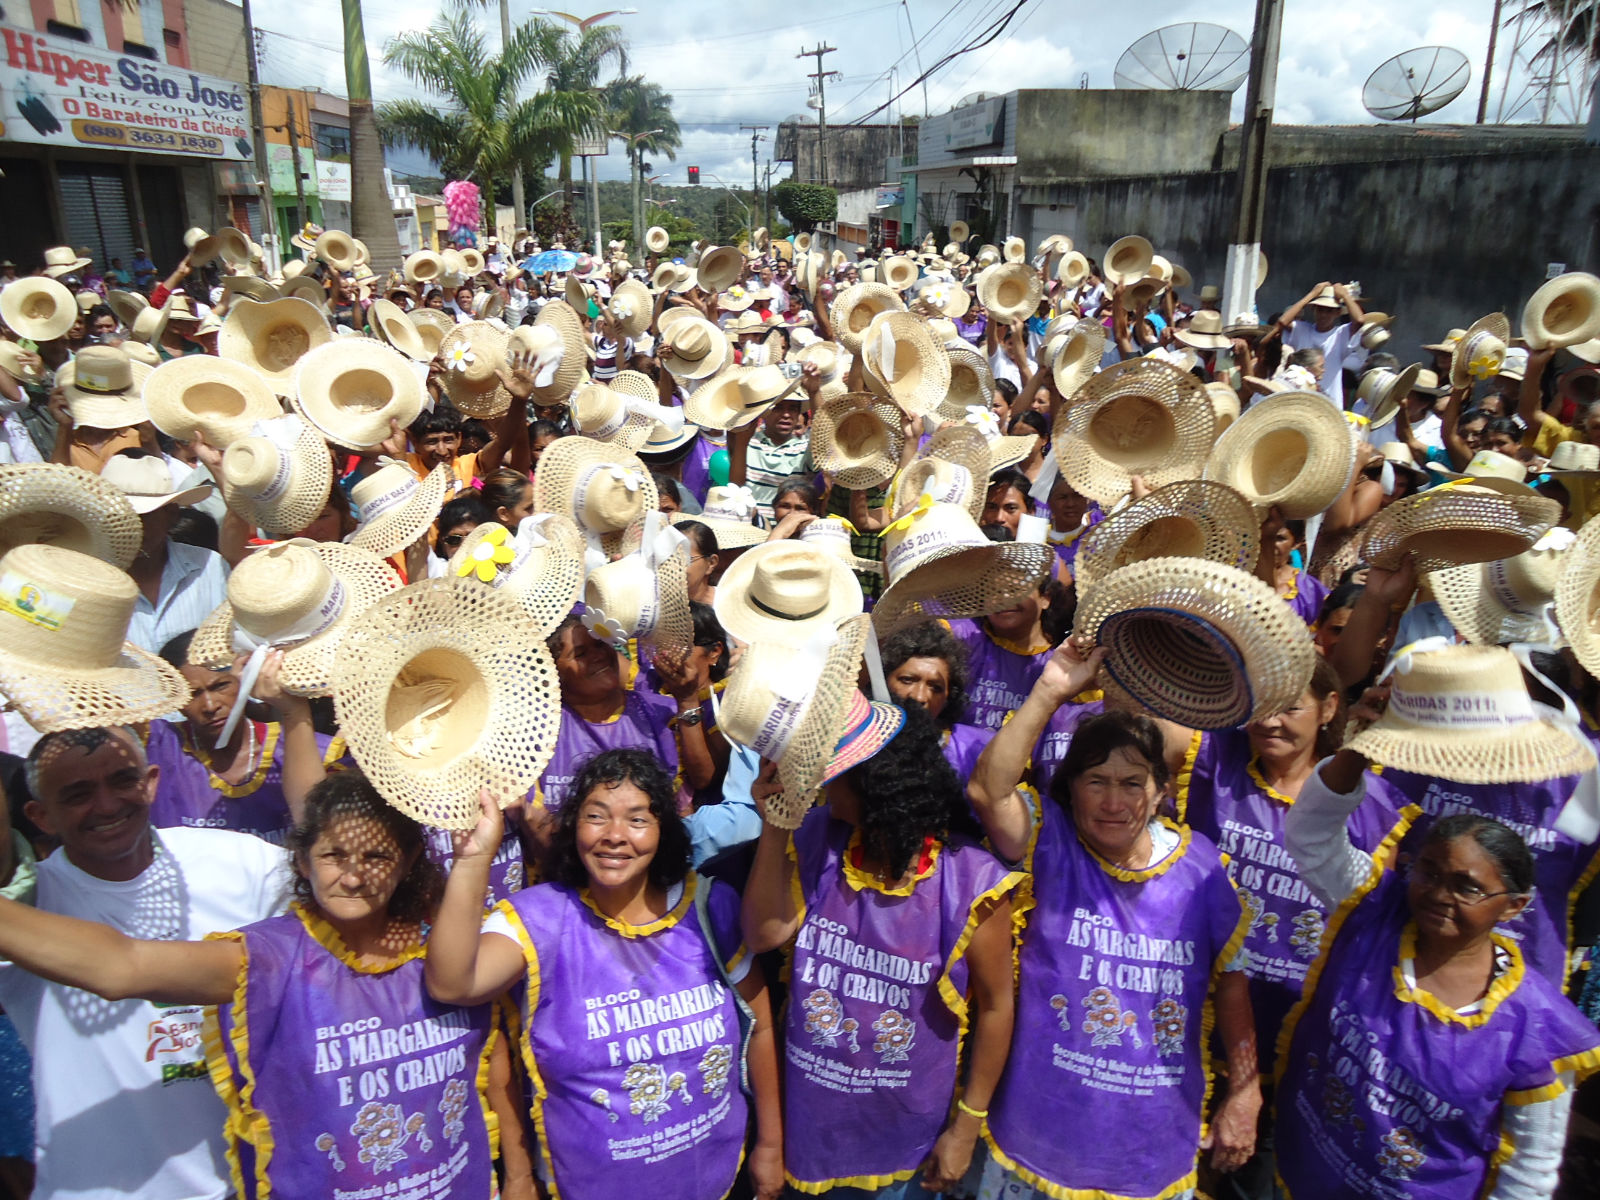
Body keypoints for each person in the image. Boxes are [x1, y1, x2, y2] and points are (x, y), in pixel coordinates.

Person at [0, 767, 510, 1200]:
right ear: (302, 861)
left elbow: (489, 1065)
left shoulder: (440, 953)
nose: (354, 877)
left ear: (409, 861)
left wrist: (521, 1177)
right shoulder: (269, 960)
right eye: (334, 856)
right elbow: (123, 965)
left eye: (375, 857)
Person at [967, 642, 1259, 1199]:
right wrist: (1050, 689)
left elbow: (1232, 979)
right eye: (1096, 781)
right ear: (1071, 787)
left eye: (1132, 784)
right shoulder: (1050, 841)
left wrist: (1245, 1092)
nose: (1113, 802)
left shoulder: (1201, 867)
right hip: (1039, 1124)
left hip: (1148, 1142)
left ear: (1160, 792)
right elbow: (988, 789)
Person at [425, 749, 785, 1200]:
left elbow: (761, 1027)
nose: (615, 836)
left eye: (637, 820)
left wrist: (770, 1144)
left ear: (663, 831)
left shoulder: (710, 907)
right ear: (573, 826)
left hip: (713, 1180)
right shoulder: (538, 921)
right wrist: (474, 858)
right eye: (596, 816)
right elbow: (453, 982)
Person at [1277, 747, 1600, 1198]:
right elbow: (1310, 835)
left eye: (1467, 887)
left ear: (1514, 906)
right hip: (1306, 1173)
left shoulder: (1540, 1032)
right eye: (1428, 873)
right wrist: (1357, 751)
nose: (1439, 895)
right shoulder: (1375, 911)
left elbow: (1530, 1172)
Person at [744, 701, 1022, 1196]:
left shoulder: (971, 880)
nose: (825, 785)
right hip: (812, 1123)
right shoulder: (817, 837)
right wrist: (775, 823)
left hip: (908, 1142)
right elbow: (764, 934)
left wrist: (966, 1127)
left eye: (837, 775)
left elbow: (998, 1007)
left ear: (874, 789)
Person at [0, 726, 289, 1200]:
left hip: (251, 1183)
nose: (107, 805)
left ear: (151, 782)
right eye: (78, 794)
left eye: (122, 781)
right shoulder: (27, 908)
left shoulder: (244, 863)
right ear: (40, 815)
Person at [1180, 658, 1401, 1197]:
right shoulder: (1216, 760)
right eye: (1260, 704)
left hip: (1298, 1040)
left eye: (1290, 707)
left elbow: (1373, 930)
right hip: (1194, 1019)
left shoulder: (1375, 806)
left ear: (1329, 708)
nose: (1270, 721)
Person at [146, 632, 346, 845]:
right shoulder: (158, 745)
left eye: (220, 686)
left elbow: (320, 832)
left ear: (244, 678)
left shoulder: (317, 753)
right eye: (193, 695)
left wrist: (293, 711)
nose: (210, 706)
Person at [102, 451, 231, 653]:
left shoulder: (210, 567)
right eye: (119, 518)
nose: (130, 528)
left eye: (143, 516)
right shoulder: (84, 580)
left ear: (170, 515)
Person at [880, 622, 994, 783]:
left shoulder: (977, 749)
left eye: (935, 687)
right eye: (907, 680)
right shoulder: (855, 744)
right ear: (883, 681)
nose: (920, 697)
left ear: (949, 697)